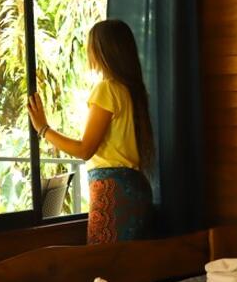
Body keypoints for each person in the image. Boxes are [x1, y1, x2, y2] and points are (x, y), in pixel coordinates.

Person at [27, 19, 155, 245]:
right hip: (137, 188)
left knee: (103, 262)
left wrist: (43, 129)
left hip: (113, 191)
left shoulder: (107, 89)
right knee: (131, 262)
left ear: (103, 51)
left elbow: (85, 149)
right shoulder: (132, 92)